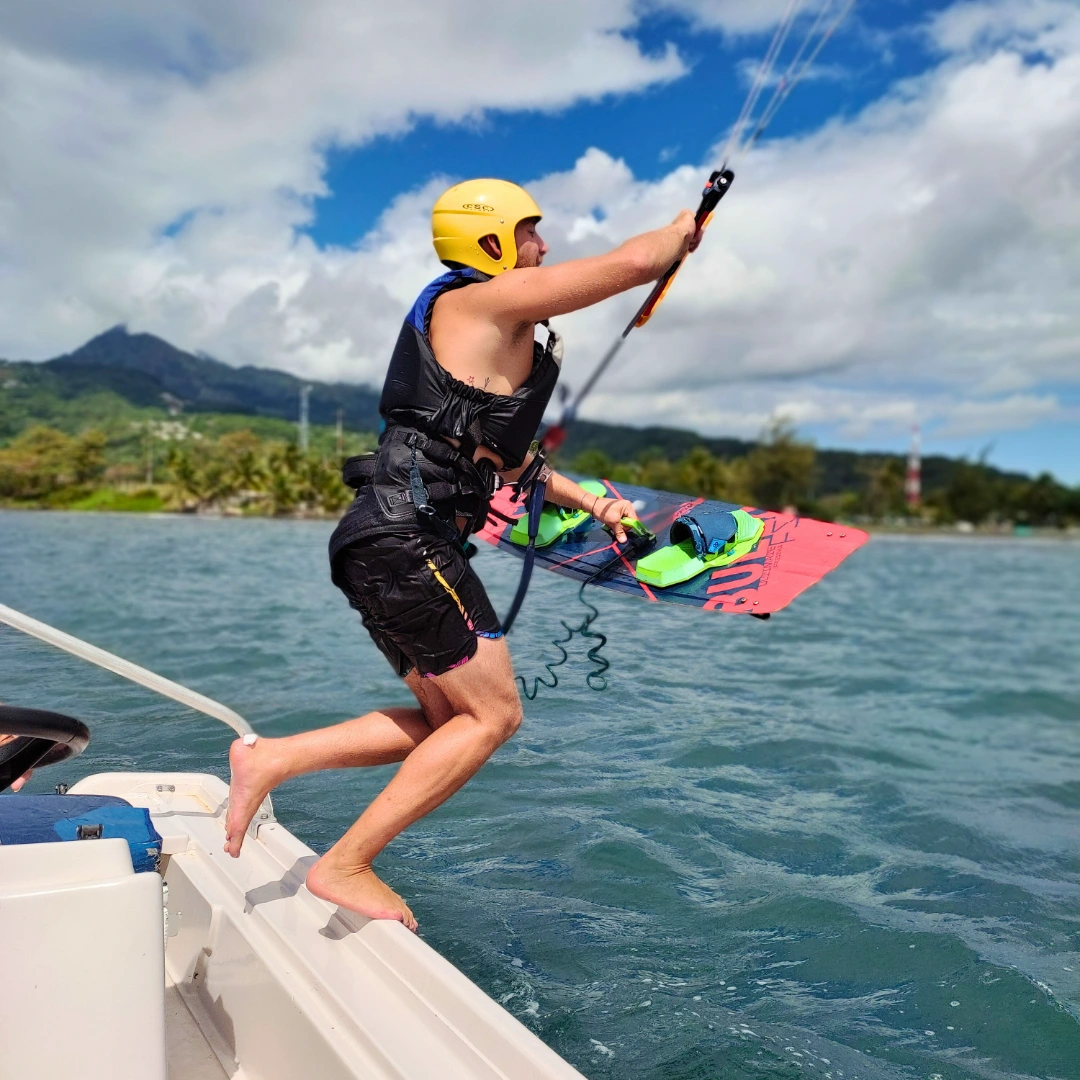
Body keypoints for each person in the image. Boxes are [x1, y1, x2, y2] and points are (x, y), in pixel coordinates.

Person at [223, 178, 702, 931]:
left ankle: (272, 758)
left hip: (388, 541)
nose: (545, 248)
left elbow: (511, 467)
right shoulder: (476, 302)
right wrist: (684, 228)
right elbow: (640, 261)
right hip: (405, 538)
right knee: (494, 716)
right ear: (491, 244)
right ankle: (343, 864)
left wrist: (598, 506)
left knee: (451, 720)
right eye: (533, 233)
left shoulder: (486, 346)